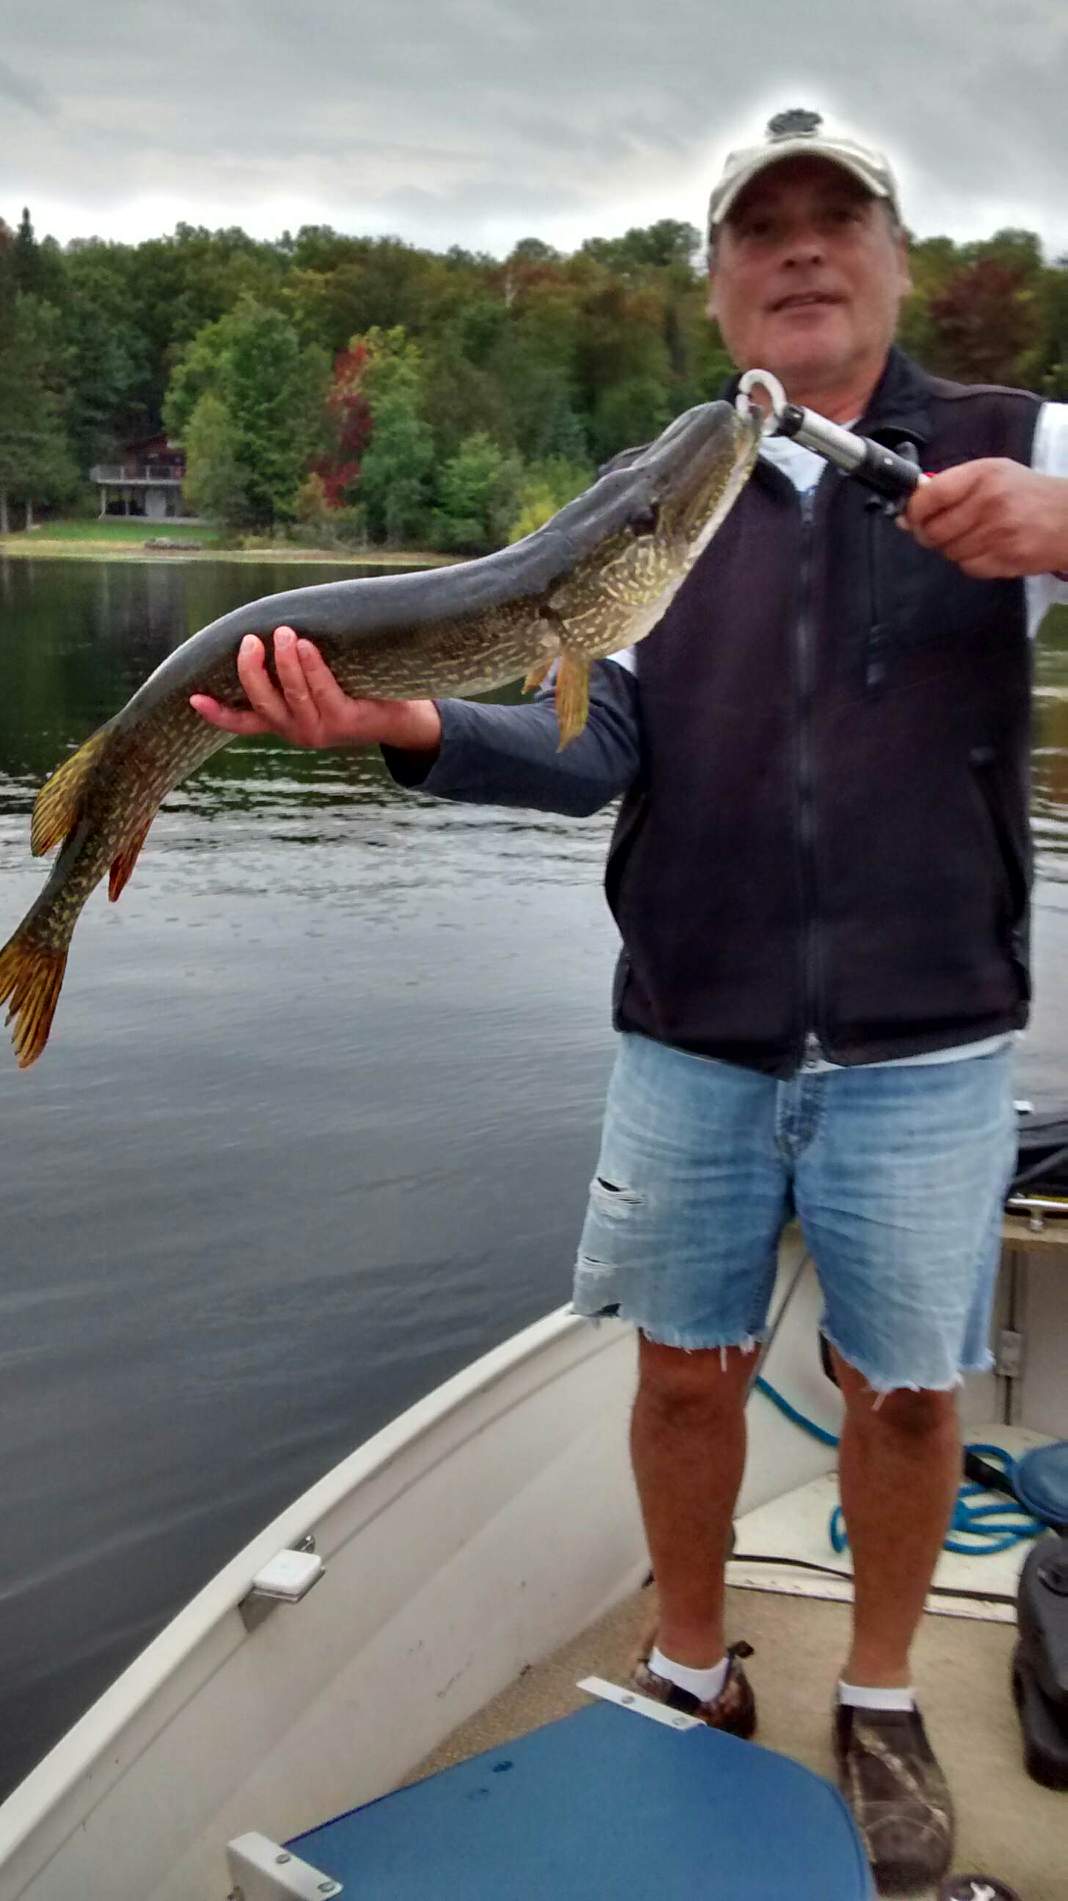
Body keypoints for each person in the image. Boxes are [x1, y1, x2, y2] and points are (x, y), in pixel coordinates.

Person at [191, 110, 1068, 1892]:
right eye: (766, 227)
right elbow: (594, 743)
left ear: (896, 259)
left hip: (927, 1039)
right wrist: (406, 728)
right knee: (684, 1375)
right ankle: (689, 1663)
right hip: (693, 1023)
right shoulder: (655, 493)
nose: (803, 250)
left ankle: (885, 1691)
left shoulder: (1014, 445)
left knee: (906, 1396)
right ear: (721, 280)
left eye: (840, 220)